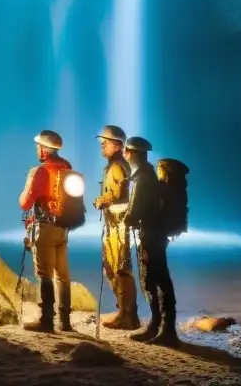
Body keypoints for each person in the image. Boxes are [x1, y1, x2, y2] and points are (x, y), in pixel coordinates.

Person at [123, 135, 178, 345]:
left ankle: (162, 329)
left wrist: (125, 218)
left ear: (135, 153)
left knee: (152, 280)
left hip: (150, 235)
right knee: (160, 279)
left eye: (128, 151)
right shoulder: (148, 174)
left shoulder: (142, 178)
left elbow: (135, 210)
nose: (125, 154)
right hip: (156, 234)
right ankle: (160, 327)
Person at [18, 130, 73, 333]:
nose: (36, 149)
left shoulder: (40, 171)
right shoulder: (67, 168)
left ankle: (47, 320)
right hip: (63, 228)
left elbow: (25, 202)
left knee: (44, 273)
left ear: (44, 148)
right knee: (63, 275)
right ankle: (65, 321)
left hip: (45, 227)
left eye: (37, 146)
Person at [92, 124, 138, 330]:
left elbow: (118, 193)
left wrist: (101, 199)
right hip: (117, 222)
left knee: (119, 267)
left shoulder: (118, 166)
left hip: (118, 224)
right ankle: (125, 311)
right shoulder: (119, 164)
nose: (102, 146)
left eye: (105, 143)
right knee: (115, 267)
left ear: (117, 145)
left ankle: (126, 315)